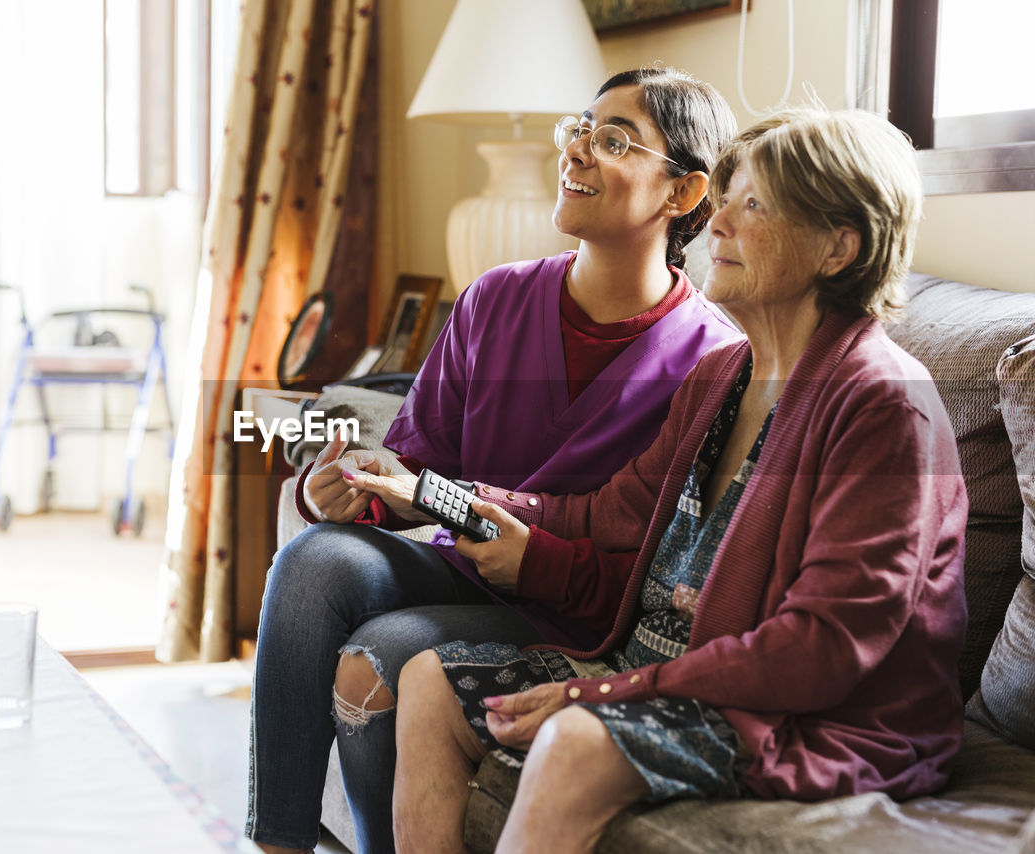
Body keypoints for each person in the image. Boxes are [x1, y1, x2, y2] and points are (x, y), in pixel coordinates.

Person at [359, 107, 968, 854]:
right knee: (428, 682)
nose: (718, 224)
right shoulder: (722, 375)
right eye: (729, 199)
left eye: (756, 207)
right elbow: (612, 513)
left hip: (799, 716)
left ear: (838, 247)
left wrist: (601, 692)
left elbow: (823, 648)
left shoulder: (882, 404)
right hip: (668, 670)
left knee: (574, 743)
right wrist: (441, 494)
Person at [246, 67, 742, 854]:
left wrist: (529, 556)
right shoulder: (494, 299)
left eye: (614, 140)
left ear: (683, 196)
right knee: (314, 559)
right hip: (459, 564)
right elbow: (414, 464)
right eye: (579, 128)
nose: (577, 151)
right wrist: (354, 492)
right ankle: (274, 843)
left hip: (575, 610)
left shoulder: (715, 361)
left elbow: (653, 562)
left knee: (377, 659)